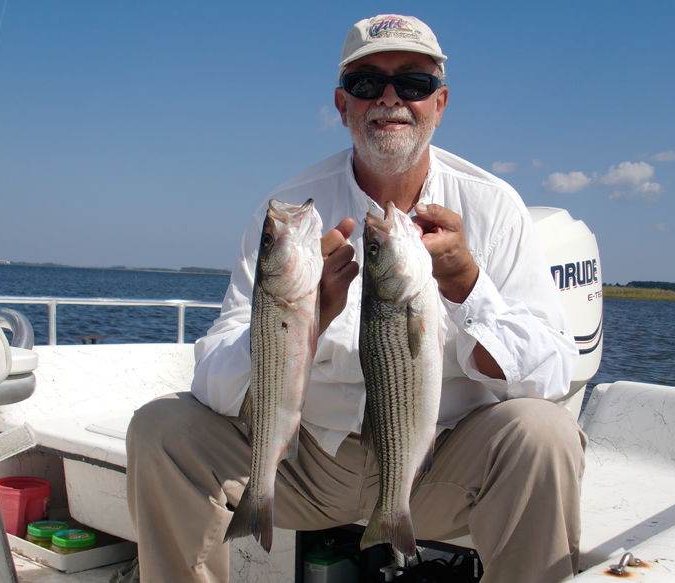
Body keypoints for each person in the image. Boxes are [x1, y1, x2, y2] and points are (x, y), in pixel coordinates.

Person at [126, 14, 587, 583]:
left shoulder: (494, 208)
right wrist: (295, 321)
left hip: (440, 465)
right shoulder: (288, 212)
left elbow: (552, 376)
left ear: (440, 104)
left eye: (413, 84)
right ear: (342, 105)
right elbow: (213, 386)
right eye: (367, 83)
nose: (390, 99)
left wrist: (468, 284)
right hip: (302, 464)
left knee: (545, 434)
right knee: (160, 430)